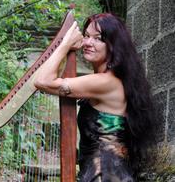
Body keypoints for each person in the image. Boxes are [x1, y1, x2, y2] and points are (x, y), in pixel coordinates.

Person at [34, 13, 157, 182]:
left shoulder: (105, 82)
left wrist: (65, 44)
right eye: (86, 36)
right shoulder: (113, 81)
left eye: (98, 38)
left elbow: (42, 81)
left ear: (113, 45)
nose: (88, 43)